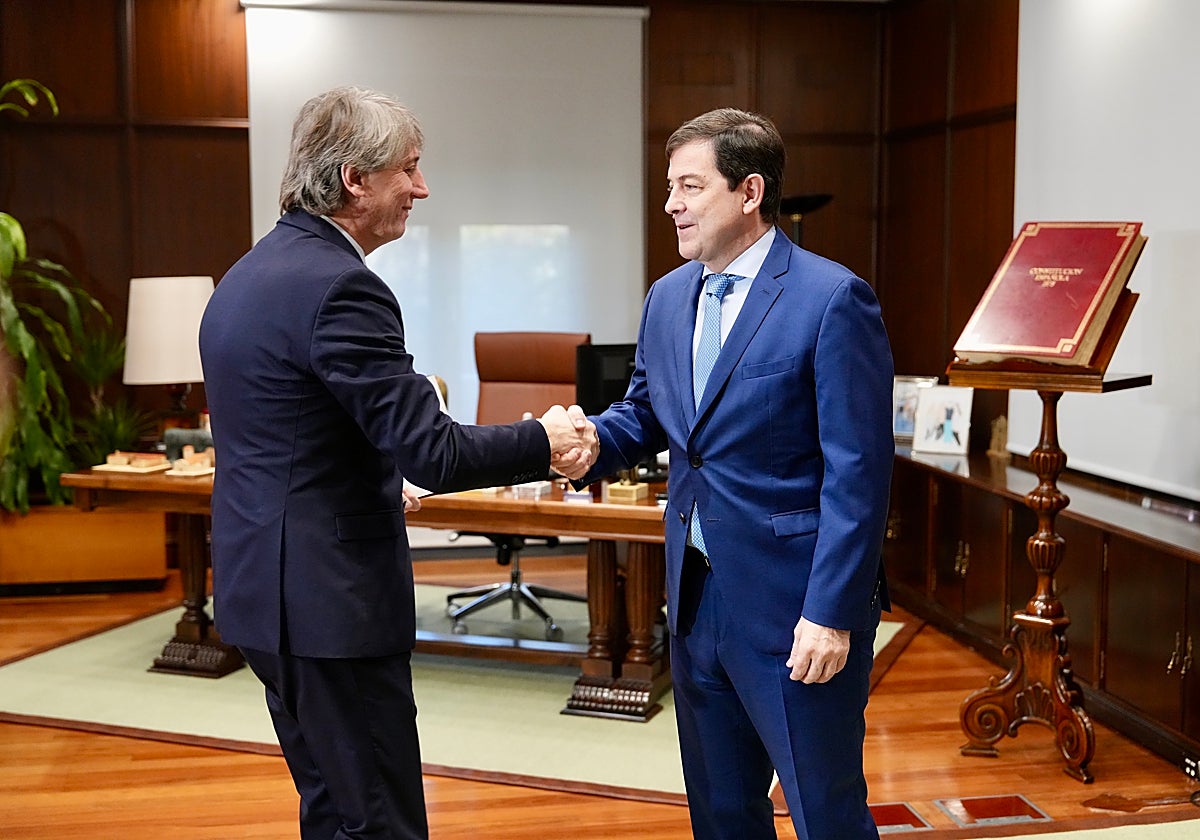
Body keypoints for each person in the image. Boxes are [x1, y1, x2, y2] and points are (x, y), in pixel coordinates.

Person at [198, 86, 597, 840]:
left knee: (334, 810)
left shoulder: (247, 276)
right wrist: (543, 441)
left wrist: (382, 479)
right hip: (330, 609)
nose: (421, 188)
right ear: (355, 178)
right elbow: (435, 449)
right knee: (380, 823)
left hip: (264, 596)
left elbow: (293, 439)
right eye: (408, 170)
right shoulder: (344, 287)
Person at [575, 108, 894, 839]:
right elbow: (647, 416)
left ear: (749, 192)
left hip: (796, 608)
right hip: (694, 602)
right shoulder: (667, 297)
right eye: (669, 187)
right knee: (721, 814)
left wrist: (832, 612)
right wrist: (580, 443)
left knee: (826, 811)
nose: (671, 205)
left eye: (690, 186)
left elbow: (860, 473)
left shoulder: (832, 298)